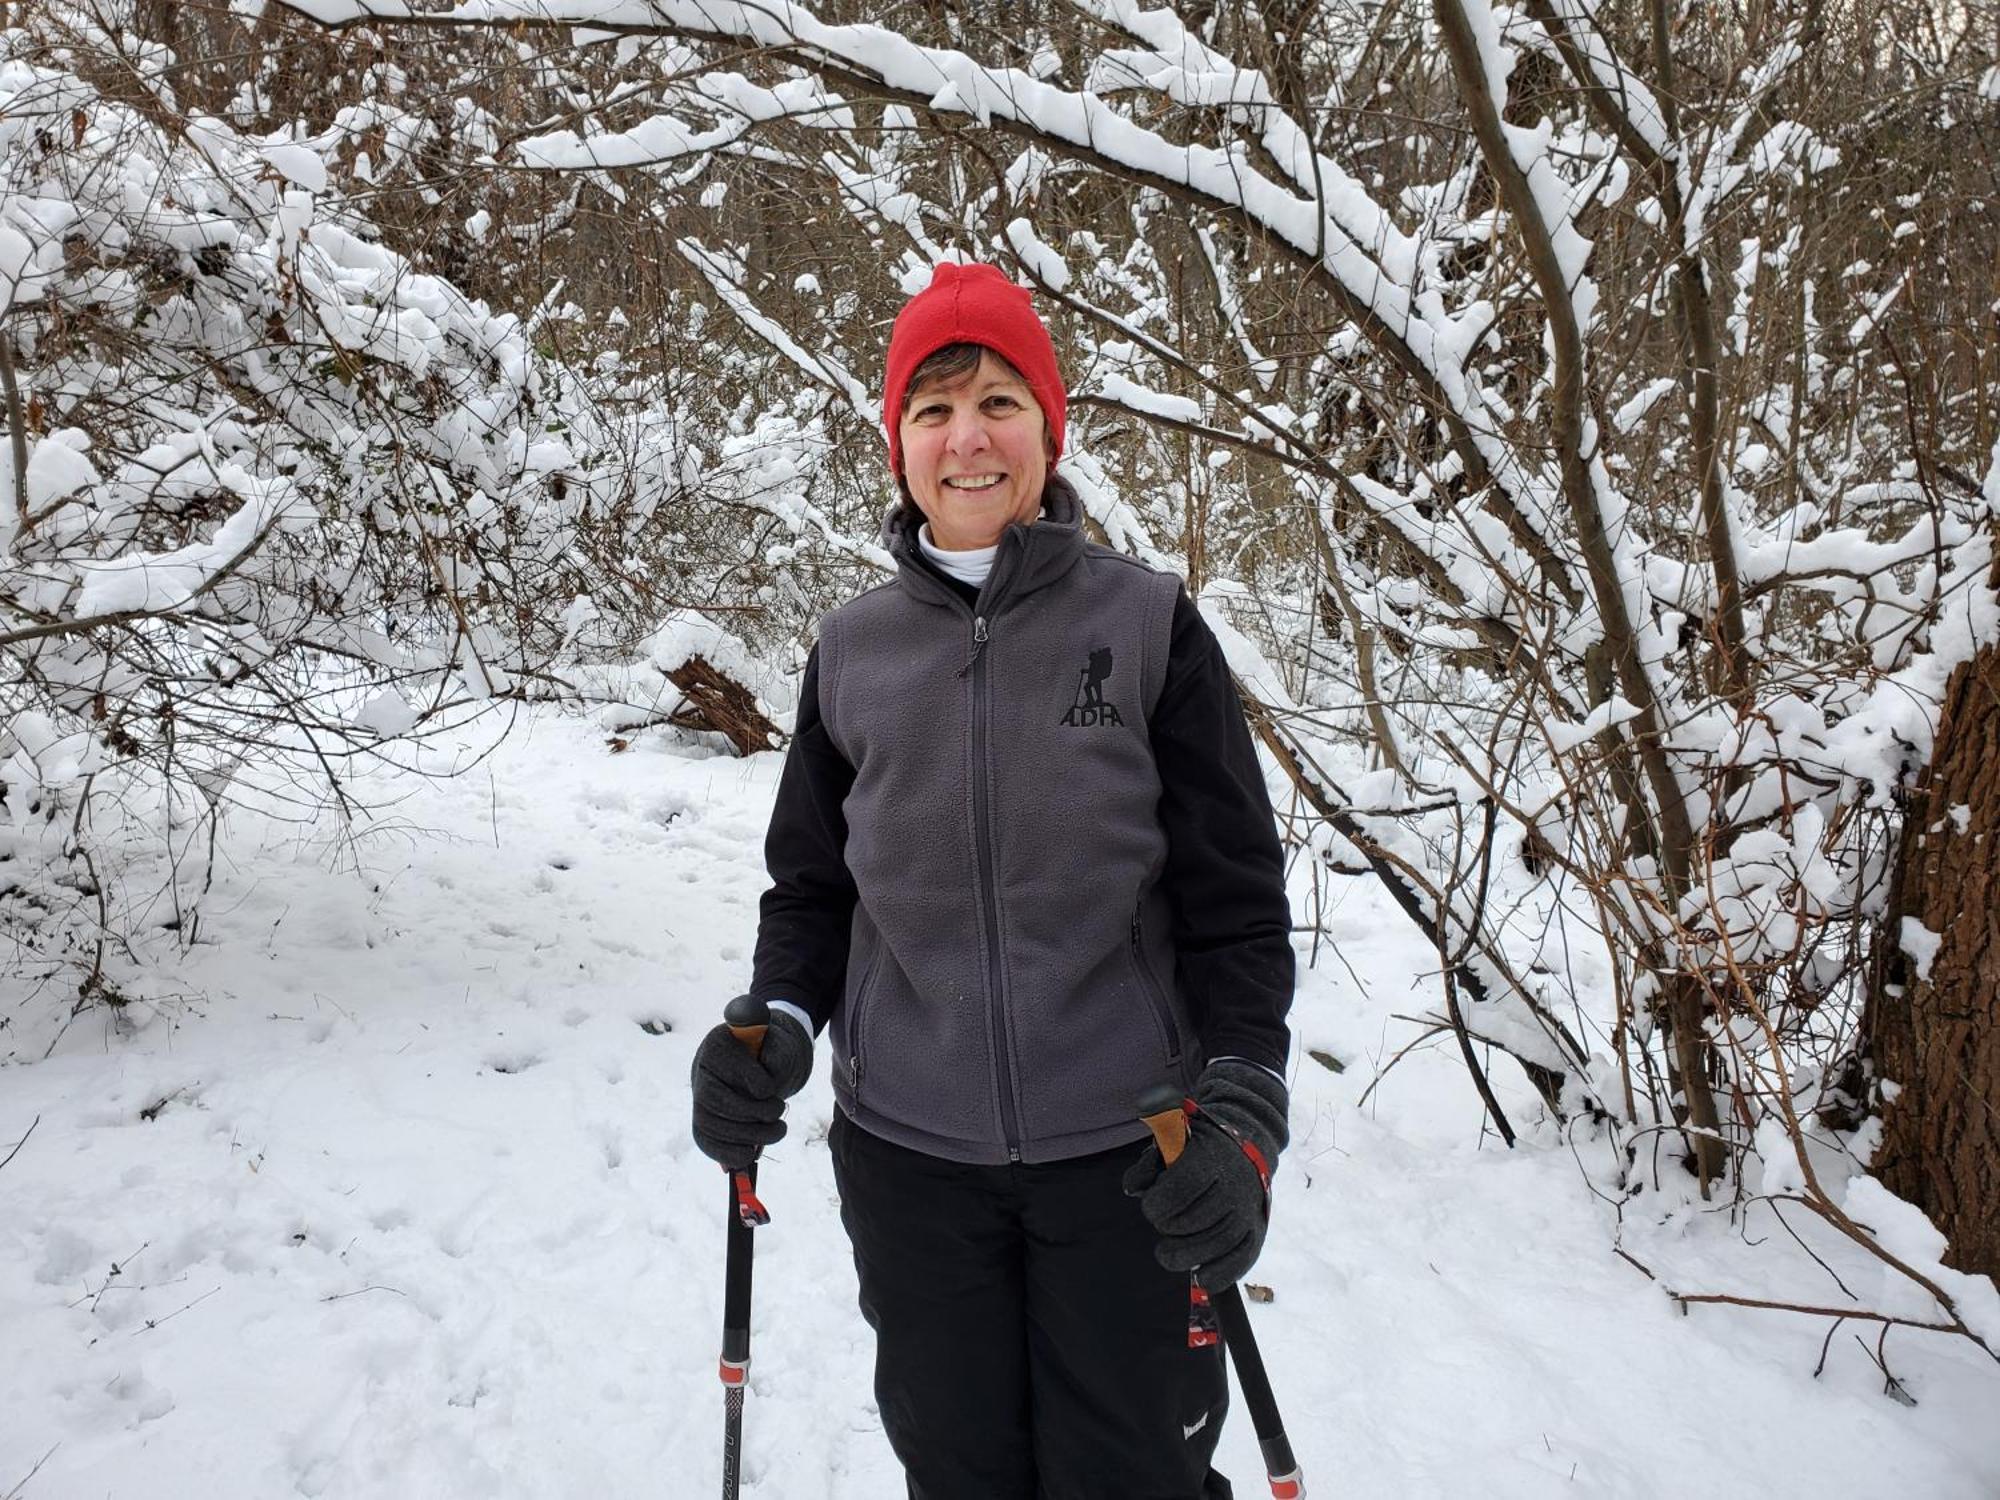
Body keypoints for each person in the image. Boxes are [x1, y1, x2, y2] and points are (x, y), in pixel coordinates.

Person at [690, 262, 1294, 1500]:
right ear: (897, 445)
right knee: (958, 1476)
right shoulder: (850, 653)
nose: (966, 436)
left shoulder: (1147, 628)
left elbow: (1235, 904)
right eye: (932, 407)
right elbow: (811, 891)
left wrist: (1240, 1114)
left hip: (1134, 1160)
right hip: (912, 1170)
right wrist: (776, 1028)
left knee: (1134, 1481)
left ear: (1047, 428)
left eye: (998, 400)